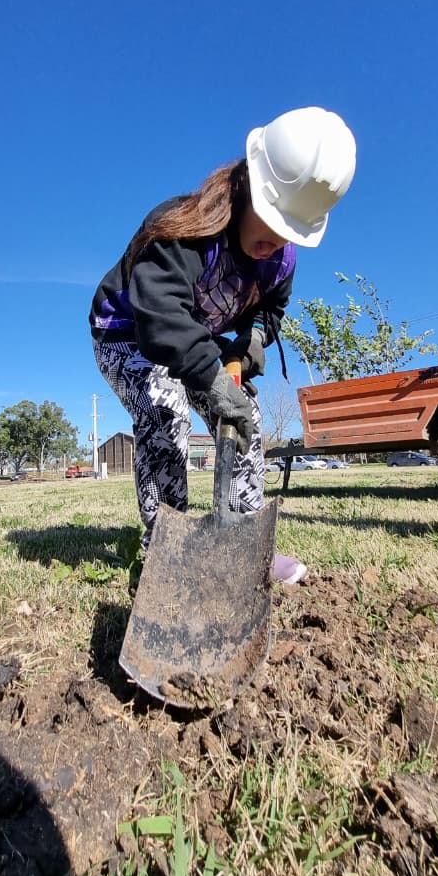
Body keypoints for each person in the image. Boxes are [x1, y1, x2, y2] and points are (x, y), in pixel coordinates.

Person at [90, 106, 356, 584]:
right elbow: (161, 316)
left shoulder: (280, 260)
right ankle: (164, 550)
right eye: (273, 220)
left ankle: (243, 542)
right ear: (249, 185)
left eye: (291, 230)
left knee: (244, 415)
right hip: (127, 332)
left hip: (195, 337)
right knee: (164, 410)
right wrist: (209, 375)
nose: (276, 241)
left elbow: (268, 314)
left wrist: (244, 348)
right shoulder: (184, 229)